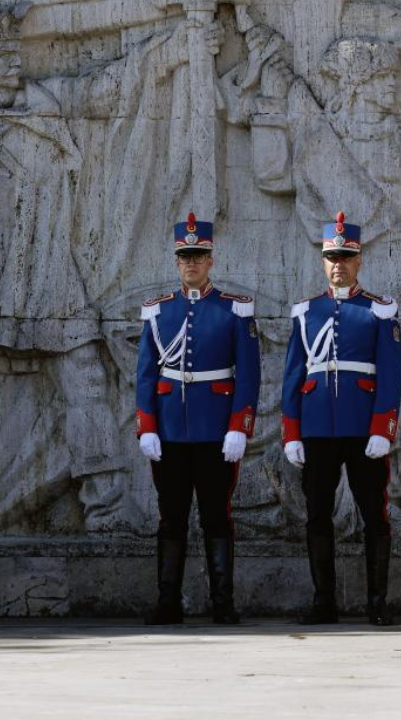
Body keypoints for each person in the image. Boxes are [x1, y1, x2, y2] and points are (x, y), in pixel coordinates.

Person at [135, 214, 260, 625]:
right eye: (185, 256)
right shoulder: (158, 313)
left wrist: (238, 427)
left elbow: (249, 376)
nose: (191, 262)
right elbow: (146, 376)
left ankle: (222, 602)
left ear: (211, 260)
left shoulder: (234, 311)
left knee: (216, 517)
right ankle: (167, 601)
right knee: (171, 517)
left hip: (215, 432)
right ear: (177, 262)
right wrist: (147, 427)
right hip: (170, 431)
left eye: (199, 255)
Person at [281, 212, 401, 626]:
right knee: (317, 515)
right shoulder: (305, 312)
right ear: (322, 261)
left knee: (374, 516)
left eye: (346, 257)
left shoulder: (379, 311)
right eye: (332, 257)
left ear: (359, 260)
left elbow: (391, 375)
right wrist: (292, 433)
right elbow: (293, 376)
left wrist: (383, 428)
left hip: (363, 429)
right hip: (317, 429)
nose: (339, 264)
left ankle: (377, 602)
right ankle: (324, 601)